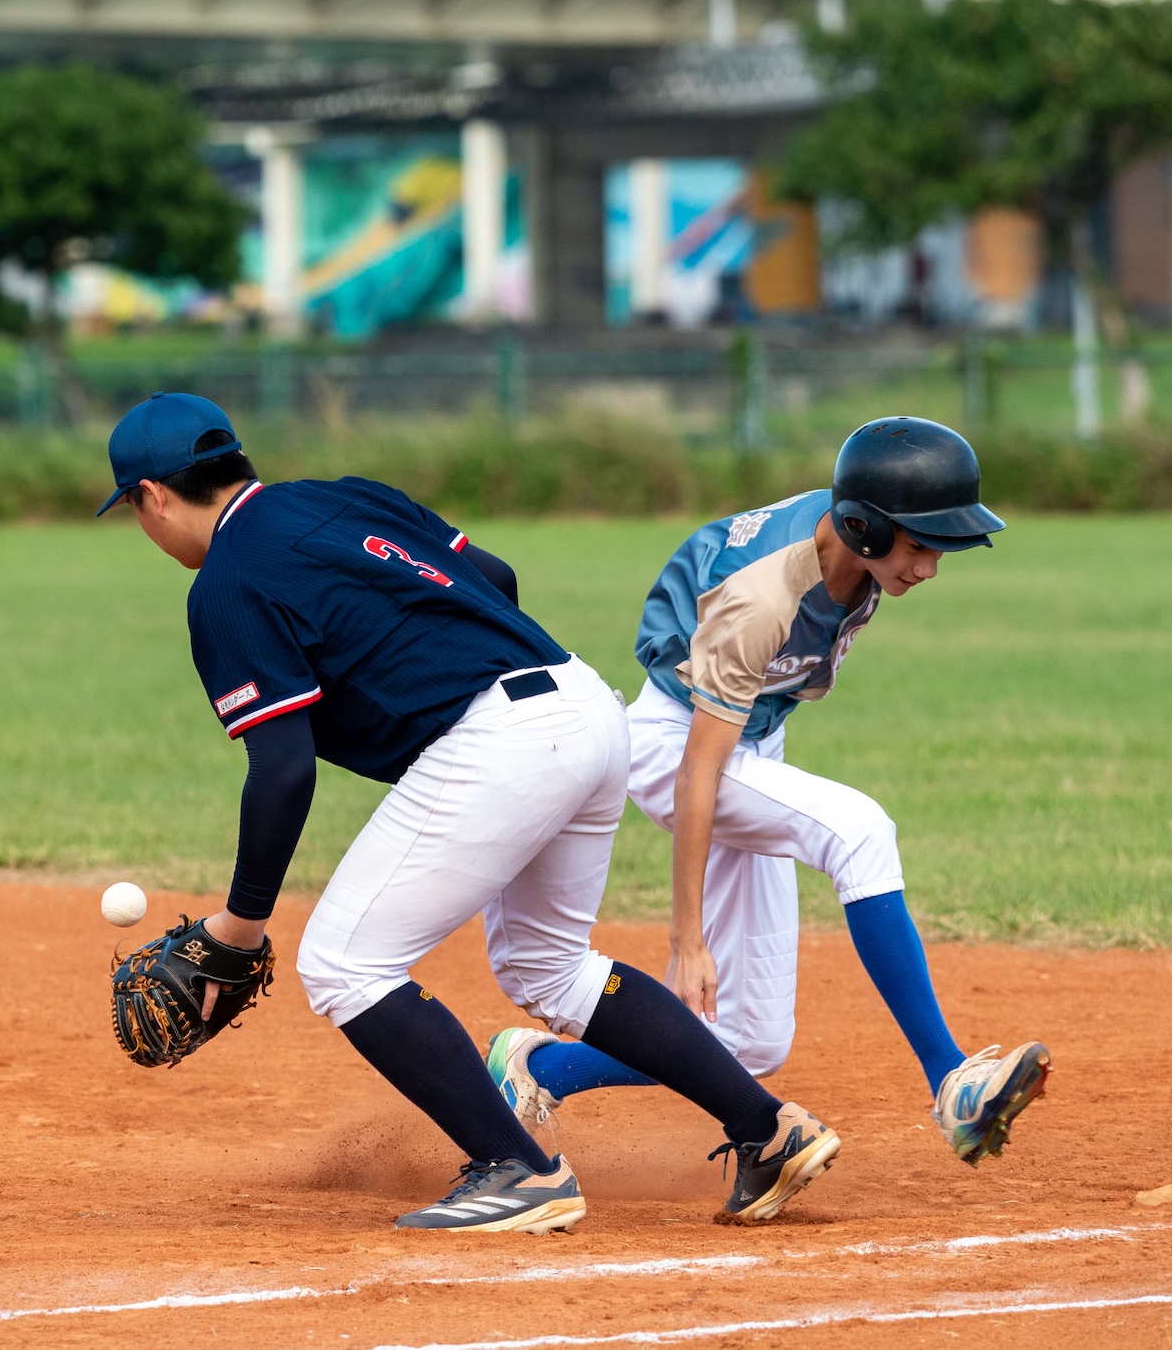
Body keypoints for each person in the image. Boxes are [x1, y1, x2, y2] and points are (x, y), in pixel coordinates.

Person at [98, 391, 841, 1232]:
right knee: (549, 967)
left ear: (152, 496)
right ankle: (767, 1127)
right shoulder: (347, 495)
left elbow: (282, 769)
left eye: (134, 509)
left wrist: (239, 928)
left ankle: (518, 1169)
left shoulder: (226, 581)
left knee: (344, 964)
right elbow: (496, 579)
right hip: (585, 705)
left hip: (503, 740)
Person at [488, 418, 1050, 1167]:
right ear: (864, 526)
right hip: (676, 744)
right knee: (858, 831)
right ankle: (951, 1079)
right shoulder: (761, 596)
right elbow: (697, 770)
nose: (929, 568)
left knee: (750, 1040)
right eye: (920, 546)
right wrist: (686, 939)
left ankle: (537, 1069)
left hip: (745, 739)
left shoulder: (855, 540)